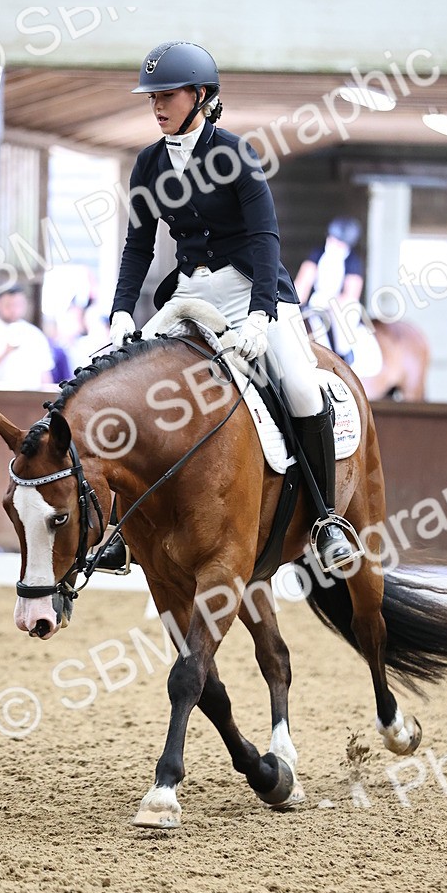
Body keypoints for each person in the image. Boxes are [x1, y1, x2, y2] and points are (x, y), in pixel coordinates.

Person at [106, 40, 359, 571]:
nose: (157, 106)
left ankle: (326, 519)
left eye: (167, 95)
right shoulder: (148, 164)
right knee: (131, 390)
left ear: (200, 96)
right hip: (189, 296)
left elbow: (266, 238)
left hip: (252, 290)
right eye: (152, 96)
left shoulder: (236, 155)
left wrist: (264, 315)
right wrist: (122, 312)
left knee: (301, 386)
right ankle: (119, 527)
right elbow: (138, 245)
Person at [294, 217, 364, 361]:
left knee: (344, 321)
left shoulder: (353, 262)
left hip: (340, 304)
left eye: (338, 242)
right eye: (331, 239)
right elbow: (303, 283)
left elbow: (351, 294)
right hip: (315, 303)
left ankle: (344, 355)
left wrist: (330, 304)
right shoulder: (317, 254)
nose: (333, 244)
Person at [0, 285, 54, 386]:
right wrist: (5, 353)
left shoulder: (35, 334)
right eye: (9, 305)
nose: (14, 309)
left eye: (18, 305)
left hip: (28, 397)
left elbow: (45, 374)